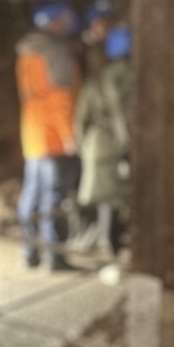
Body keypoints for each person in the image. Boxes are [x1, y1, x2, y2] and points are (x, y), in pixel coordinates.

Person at [14, 0, 82, 272]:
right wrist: (69, 135)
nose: (68, 22)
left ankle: (29, 251)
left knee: (32, 192)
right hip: (53, 136)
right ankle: (55, 256)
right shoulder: (53, 52)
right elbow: (59, 99)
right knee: (52, 195)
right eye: (63, 18)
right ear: (52, 21)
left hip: (33, 134)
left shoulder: (27, 51)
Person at [73, 21, 131, 264]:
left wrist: (81, 147)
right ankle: (116, 247)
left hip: (98, 143)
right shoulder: (138, 78)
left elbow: (81, 119)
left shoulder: (97, 81)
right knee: (120, 197)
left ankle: (107, 245)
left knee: (106, 199)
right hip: (125, 145)